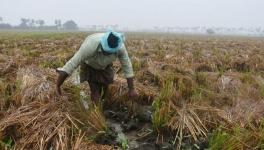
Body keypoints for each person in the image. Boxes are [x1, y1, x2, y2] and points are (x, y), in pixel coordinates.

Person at [56, 30, 137, 104]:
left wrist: (131, 89)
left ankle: (102, 107)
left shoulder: (120, 48)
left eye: (110, 53)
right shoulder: (90, 45)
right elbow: (71, 64)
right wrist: (58, 85)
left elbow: (127, 66)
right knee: (95, 91)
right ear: (103, 44)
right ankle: (97, 111)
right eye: (106, 51)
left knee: (105, 91)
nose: (107, 54)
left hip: (105, 66)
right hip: (90, 65)